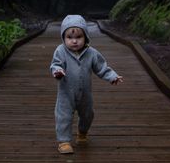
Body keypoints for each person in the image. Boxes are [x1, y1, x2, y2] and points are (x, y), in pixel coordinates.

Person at [49, 15, 123, 154]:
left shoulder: (91, 53)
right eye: (70, 38)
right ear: (64, 38)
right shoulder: (61, 51)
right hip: (66, 93)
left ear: (86, 37)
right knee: (63, 116)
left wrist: (112, 76)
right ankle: (64, 141)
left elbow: (101, 67)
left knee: (88, 114)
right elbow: (56, 64)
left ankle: (82, 132)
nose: (75, 41)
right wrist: (57, 71)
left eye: (79, 37)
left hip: (85, 93)